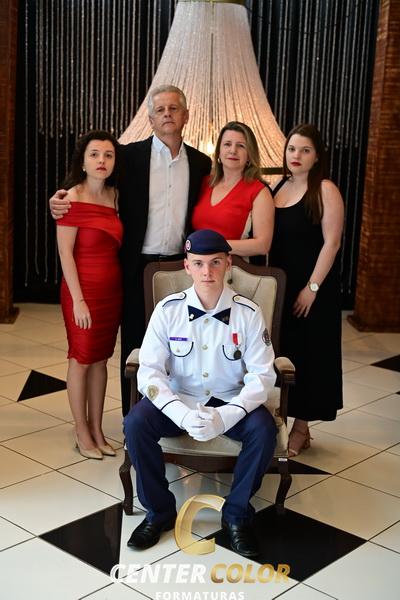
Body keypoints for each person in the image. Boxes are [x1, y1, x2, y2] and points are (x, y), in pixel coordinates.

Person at [50, 85, 211, 416]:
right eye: (160, 110)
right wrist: (58, 199)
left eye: (174, 108)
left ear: (186, 116)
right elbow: (91, 190)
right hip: (136, 266)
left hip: (180, 270)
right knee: (135, 348)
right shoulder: (128, 157)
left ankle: (174, 417)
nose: (167, 114)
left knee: (179, 347)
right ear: (150, 119)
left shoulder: (201, 163)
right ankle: (132, 420)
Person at [123, 229, 277, 558]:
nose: (207, 272)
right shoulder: (168, 310)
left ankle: (236, 515)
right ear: (187, 266)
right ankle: (159, 512)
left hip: (229, 399)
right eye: (198, 263)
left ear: (228, 264)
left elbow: (263, 376)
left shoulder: (248, 313)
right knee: (136, 423)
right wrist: (179, 414)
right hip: (179, 398)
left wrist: (226, 416)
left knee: (264, 430)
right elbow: (149, 371)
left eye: (215, 262)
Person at [269, 123, 344, 457]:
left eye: (305, 150)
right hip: (283, 286)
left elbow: (332, 243)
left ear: (316, 157)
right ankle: (285, 421)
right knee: (288, 354)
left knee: (311, 356)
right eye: (291, 149)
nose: (296, 155)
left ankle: (301, 427)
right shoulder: (279, 186)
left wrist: (312, 287)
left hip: (313, 288)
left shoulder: (324, 189)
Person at [56, 130, 123, 459]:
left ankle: (97, 428)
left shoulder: (115, 196)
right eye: (94, 154)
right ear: (82, 161)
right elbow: (65, 254)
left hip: (111, 290)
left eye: (108, 155)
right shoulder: (70, 197)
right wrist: (79, 300)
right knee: (81, 358)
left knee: (100, 359)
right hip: (81, 290)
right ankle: (81, 430)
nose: (101, 161)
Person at [192, 121, 274, 257]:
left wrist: (212, 245)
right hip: (196, 265)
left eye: (241, 146)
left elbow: (262, 245)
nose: (233, 150)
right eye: (227, 144)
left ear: (249, 154)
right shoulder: (204, 182)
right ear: (219, 151)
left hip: (233, 266)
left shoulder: (259, 192)